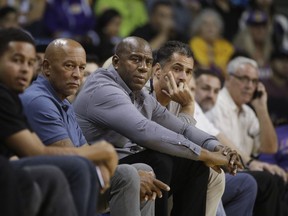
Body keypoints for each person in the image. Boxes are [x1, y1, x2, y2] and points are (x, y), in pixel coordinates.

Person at [73, 36, 242, 216]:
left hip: (127, 160)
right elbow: (145, 131)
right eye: (135, 59)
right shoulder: (105, 88)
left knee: (196, 166)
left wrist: (218, 148)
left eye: (147, 61)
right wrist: (207, 155)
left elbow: (181, 128)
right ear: (116, 62)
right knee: (160, 159)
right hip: (98, 168)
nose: (143, 67)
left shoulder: (138, 93)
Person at [20, 37, 169, 216]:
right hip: (49, 184)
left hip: (74, 177)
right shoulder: (39, 100)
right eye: (69, 66)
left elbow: (84, 150)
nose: (77, 74)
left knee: (143, 171)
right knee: (129, 175)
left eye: (81, 68)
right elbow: (71, 160)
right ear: (46, 67)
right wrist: (105, 156)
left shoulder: (62, 101)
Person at [0, 27, 118, 216]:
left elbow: (34, 147)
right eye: (17, 60)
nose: (25, 69)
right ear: (46, 68)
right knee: (78, 166)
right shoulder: (30, 98)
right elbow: (35, 152)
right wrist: (103, 151)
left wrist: (98, 155)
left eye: (30, 63)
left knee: (83, 166)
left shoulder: (18, 96)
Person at [150, 41, 257, 216]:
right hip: (138, 160)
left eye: (189, 72)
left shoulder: (180, 97)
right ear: (157, 71)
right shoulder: (144, 95)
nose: (183, 77)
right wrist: (189, 107)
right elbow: (163, 140)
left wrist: (220, 148)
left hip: (166, 163)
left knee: (213, 172)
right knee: (170, 162)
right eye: (177, 69)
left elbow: (188, 134)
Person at [200, 58, 288, 215]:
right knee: (267, 181)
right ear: (228, 79)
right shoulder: (215, 103)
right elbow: (222, 149)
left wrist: (261, 108)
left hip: (241, 169)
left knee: (279, 179)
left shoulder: (248, 112)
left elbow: (270, 148)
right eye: (244, 79)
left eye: (254, 81)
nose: (249, 86)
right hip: (221, 172)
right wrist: (252, 163)